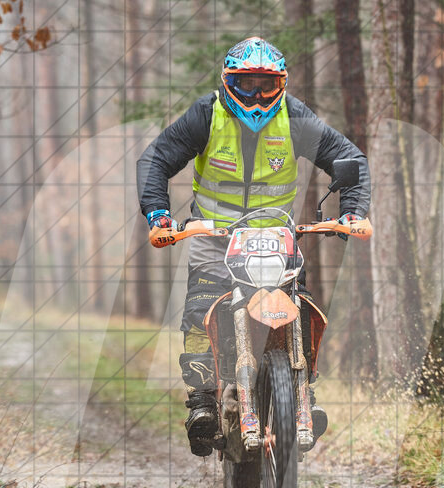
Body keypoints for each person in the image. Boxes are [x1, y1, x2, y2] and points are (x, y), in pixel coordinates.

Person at [136, 37, 370, 456]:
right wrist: (159, 215)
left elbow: (347, 157)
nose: (257, 94)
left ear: (280, 84)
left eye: (266, 84)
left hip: (277, 236)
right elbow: (157, 159)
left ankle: (304, 394)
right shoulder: (206, 115)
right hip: (213, 236)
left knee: (304, 308)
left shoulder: (294, 117)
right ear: (229, 82)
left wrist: (351, 212)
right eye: (246, 84)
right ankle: (203, 401)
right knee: (199, 313)